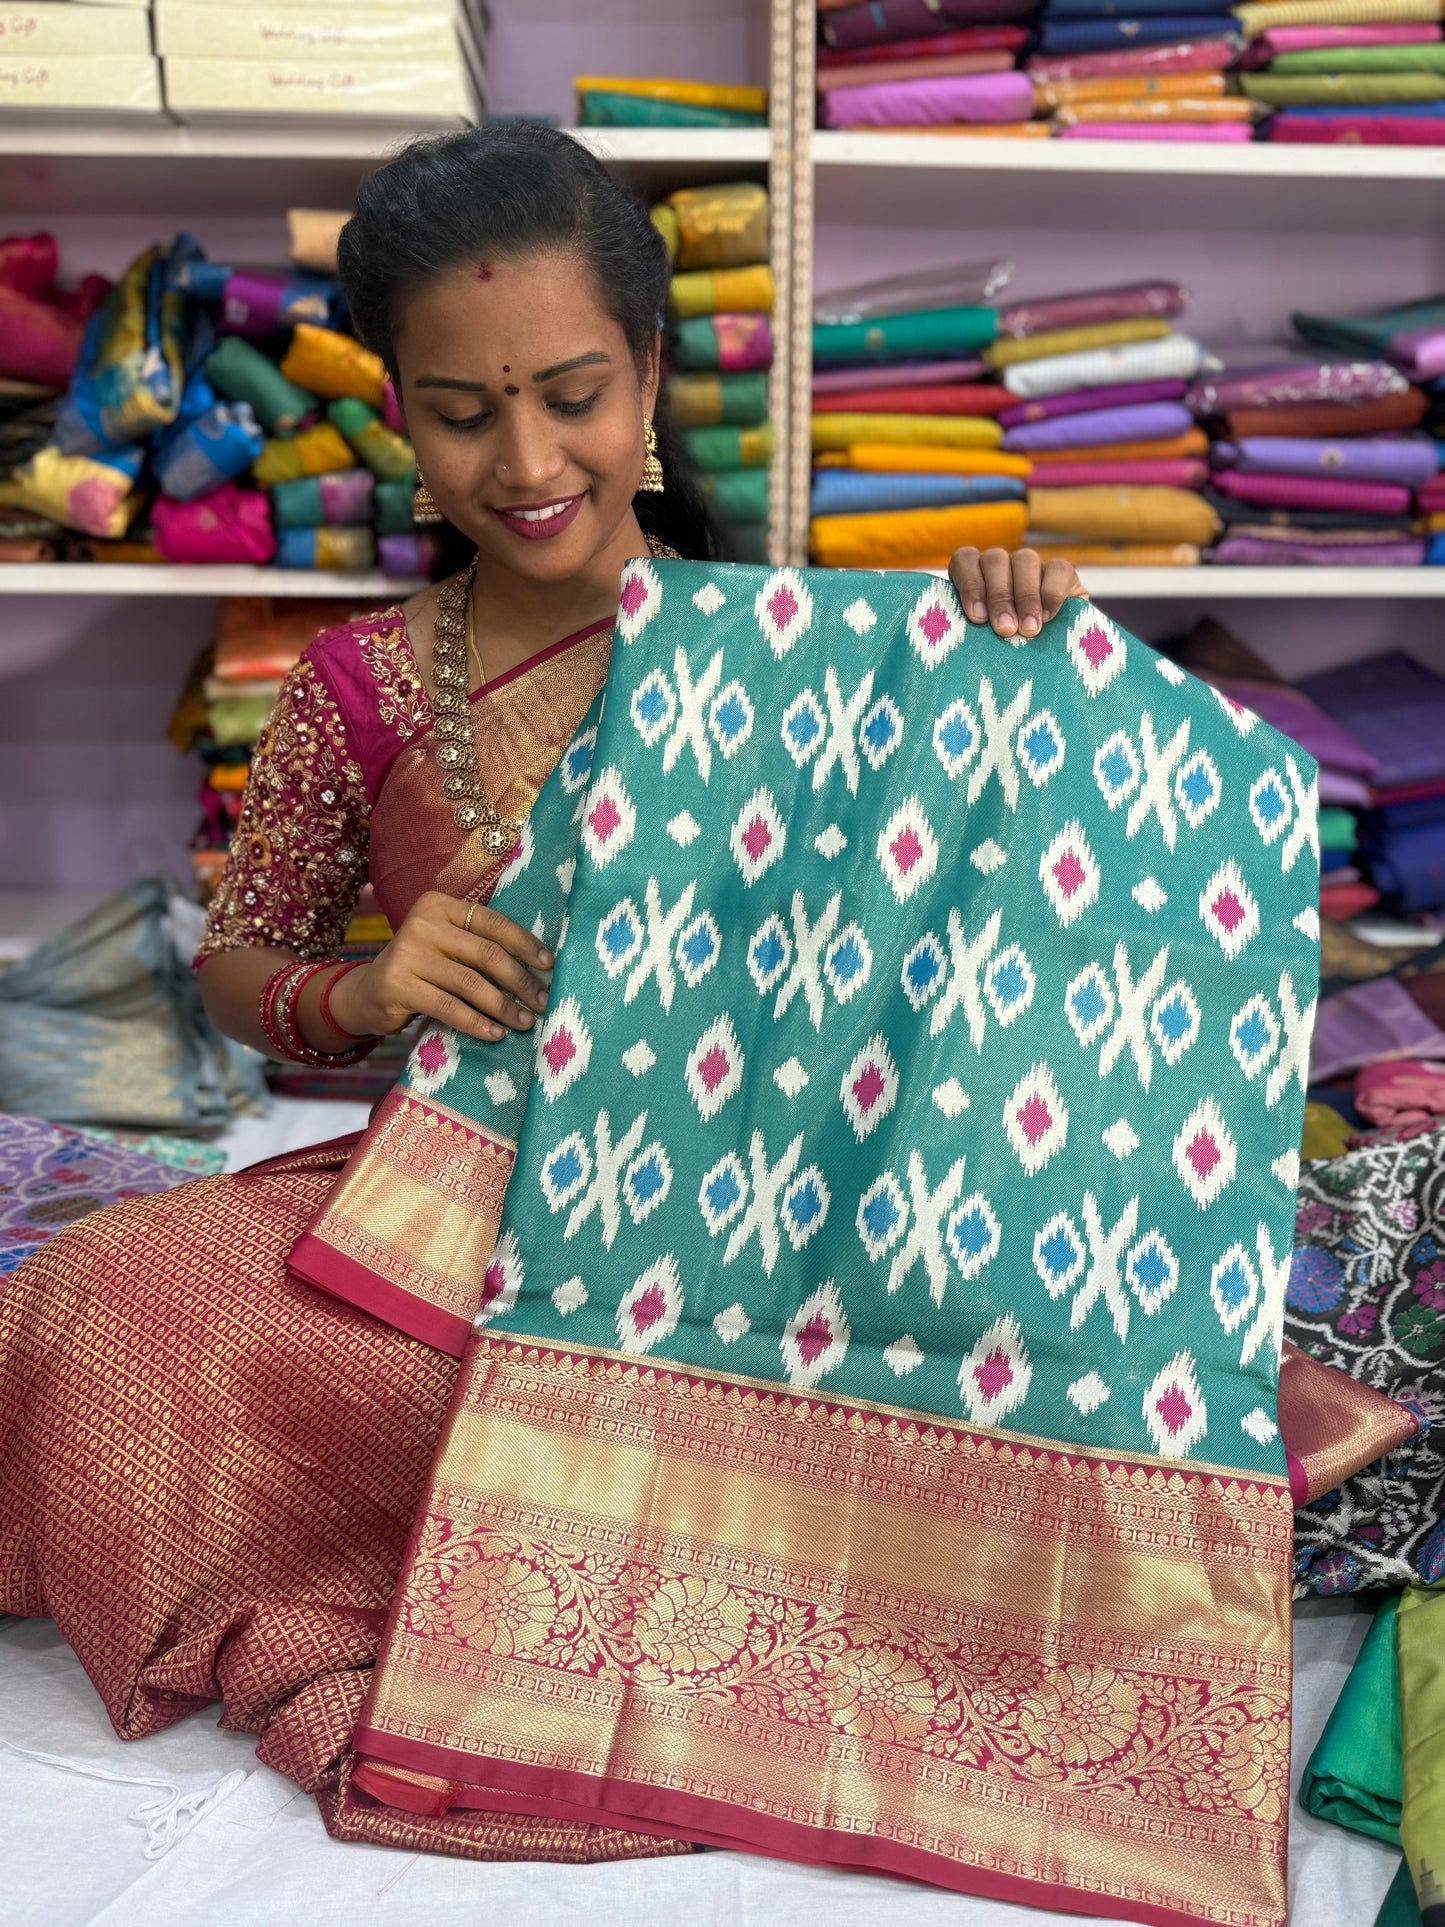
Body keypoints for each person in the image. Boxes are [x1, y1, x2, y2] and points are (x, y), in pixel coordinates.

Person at [0, 124, 1085, 1863]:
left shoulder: (824, 647)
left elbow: (994, 940)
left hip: (752, 1247)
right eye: (458, 410)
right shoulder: (360, 683)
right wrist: (361, 997)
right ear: (402, 413)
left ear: (650, 374)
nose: (524, 459)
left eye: (572, 392)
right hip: (438, 1237)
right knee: (93, 1301)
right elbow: (232, 969)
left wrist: (1018, 669)